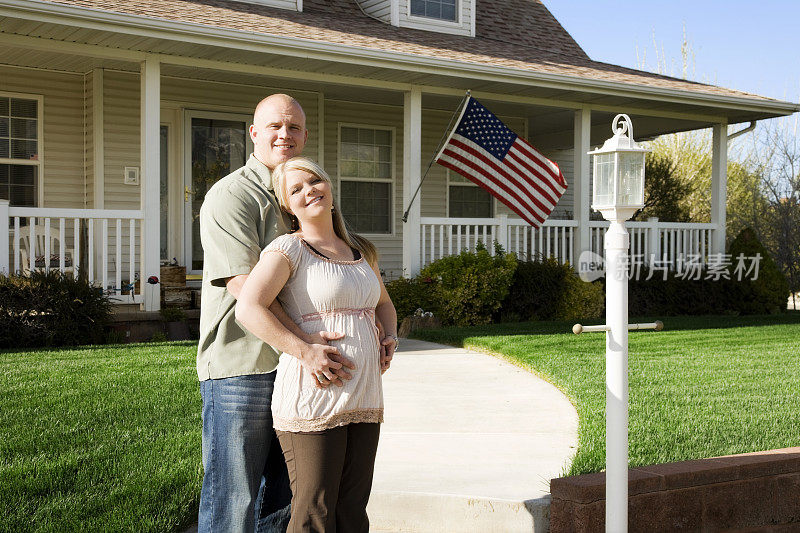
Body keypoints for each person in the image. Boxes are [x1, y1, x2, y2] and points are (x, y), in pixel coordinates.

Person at [197, 94, 357, 533]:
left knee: (286, 496)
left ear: (305, 135)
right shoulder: (231, 196)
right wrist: (304, 346)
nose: (285, 135)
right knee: (233, 497)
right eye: (274, 126)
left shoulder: (302, 192)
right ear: (254, 133)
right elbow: (246, 291)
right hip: (243, 367)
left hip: (295, 371)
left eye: (295, 127)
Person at [235, 156, 398, 532]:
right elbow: (248, 307)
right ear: (288, 206)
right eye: (296, 189)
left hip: (364, 396)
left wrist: (388, 336)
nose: (309, 191)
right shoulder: (288, 249)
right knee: (315, 512)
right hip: (314, 395)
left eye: (314, 181)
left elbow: (384, 304)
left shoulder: (360, 250)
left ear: (329, 187)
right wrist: (304, 350)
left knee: (352, 510)